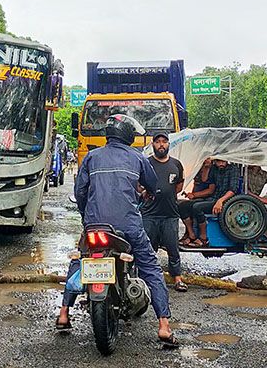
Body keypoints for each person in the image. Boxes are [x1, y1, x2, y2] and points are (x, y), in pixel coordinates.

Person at [55, 114, 180, 348]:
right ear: (128, 134)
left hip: (95, 225)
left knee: (80, 260)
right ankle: (163, 325)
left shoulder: (92, 156)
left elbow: (80, 192)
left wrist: (87, 218)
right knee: (151, 269)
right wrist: (146, 193)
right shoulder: (137, 157)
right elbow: (153, 186)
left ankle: (64, 314)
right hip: (128, 227)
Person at [140, 132, 187, 292]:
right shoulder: (146, 163)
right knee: (148, 249)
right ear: (153, 145)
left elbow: (179, 185)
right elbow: (138, 185)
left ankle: (177, 278)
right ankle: (146, 280)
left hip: (170, 214)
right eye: (158, 142)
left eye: (164, 142)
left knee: (173, 248)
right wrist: (144, 192)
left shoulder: (176, 164)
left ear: (168, 144)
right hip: (149, 214)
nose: (161, 144)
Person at [186, 159, 241, 248]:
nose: (221, 164)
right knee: (185, 205)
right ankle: (191, 235)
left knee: (197, 207)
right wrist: (207, 167)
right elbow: (205, 180)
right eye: (218, 162)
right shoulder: (214, 168)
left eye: (223, 162)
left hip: (227, 201)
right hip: (213, 198)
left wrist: (220, 201)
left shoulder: (233, 169)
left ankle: (203, 238)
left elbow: (233, 190)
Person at [178, 158, 216, 246]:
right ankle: (191, 234)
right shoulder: (199, 169)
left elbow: (210, 190)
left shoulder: (213, 170)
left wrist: (195, 195)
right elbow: (201, 181)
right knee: (180, 205)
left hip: (209, 199)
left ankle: (203, 237)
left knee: (195, 207)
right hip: (200, 197)